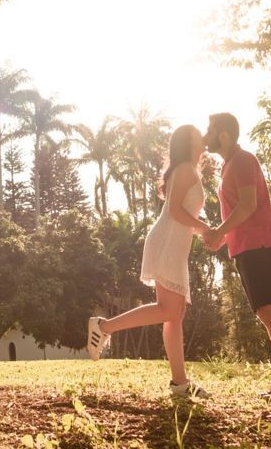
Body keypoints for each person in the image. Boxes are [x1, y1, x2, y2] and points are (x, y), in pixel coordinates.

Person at [87, 124, 218, 400]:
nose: (202, 137)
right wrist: (204, 227)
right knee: (169, 310)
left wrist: (202, 230)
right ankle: (104, 326)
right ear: (189, 142)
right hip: (167, 243)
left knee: (174, 312)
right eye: (197, 133)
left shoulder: (188, 170)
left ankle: (180, 384)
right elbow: (174, 212)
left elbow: (180, 215)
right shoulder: (185, 169)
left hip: (174, 244)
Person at [203, 111, 271, 403]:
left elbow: (249, 206)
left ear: (223, 135)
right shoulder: (229, 166)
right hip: (247, 248)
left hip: (260, 246)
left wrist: (218, 231)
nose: (205, 135)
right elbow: (240, 211)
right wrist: (222, 238)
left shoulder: (243, 160)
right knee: (266, 314)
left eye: (210, 130)